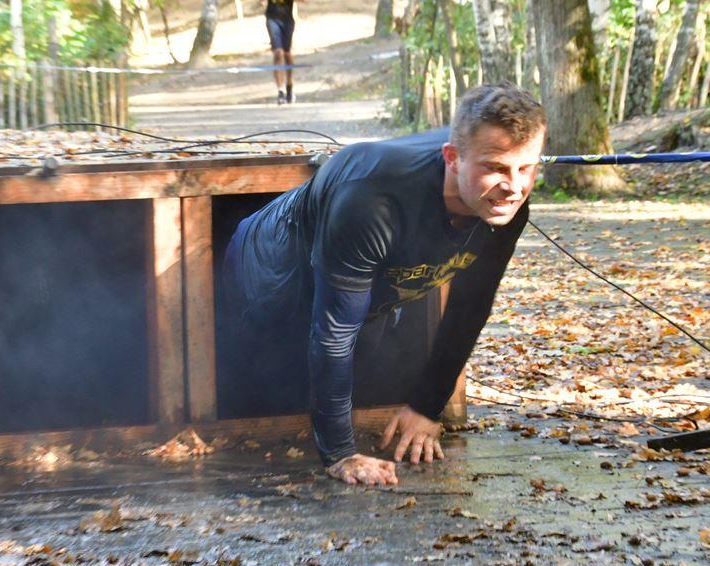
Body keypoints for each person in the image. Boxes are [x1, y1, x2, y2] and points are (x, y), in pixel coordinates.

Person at [223, 83, 546, 486]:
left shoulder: (504, 205)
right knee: (262, 374)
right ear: (452, 158)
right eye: (496, 167)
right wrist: (340, 454)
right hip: (266, 270)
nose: (514, 186)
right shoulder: (373, 202)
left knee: (364, 353)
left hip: (362, 287)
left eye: (527, 168)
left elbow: (470, 306)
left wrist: (426, 407)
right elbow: (334, 335)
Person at [266, 0, 296, 105]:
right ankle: (280, 91)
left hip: (287, 20)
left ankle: (289, 85)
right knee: (278, 52)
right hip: (272, 19)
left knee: (287, 53)